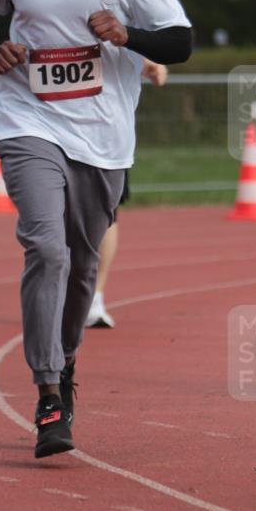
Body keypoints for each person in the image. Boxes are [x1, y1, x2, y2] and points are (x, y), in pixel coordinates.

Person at [0, 0, 192, 458]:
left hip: (103, 134)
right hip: (27, 119)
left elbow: (180, 42)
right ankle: (47, 391)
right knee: (46, 245)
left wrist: (129, 34)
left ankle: (64, 366)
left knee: (84, 265)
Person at [85, 59, 169, 328]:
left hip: (109, 134)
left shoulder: (118, 22)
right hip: (59, 127)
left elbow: (154, 49)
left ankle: (95, 297)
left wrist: (154, 66)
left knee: (108, 214)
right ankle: (60, 290)